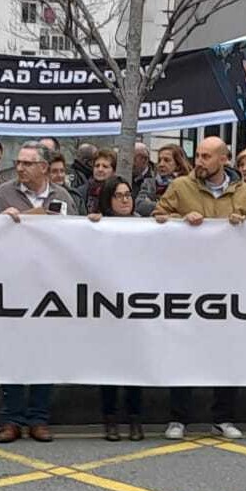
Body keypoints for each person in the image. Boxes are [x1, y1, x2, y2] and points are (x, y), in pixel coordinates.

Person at [153, 137, 246, 440]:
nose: (199, 161)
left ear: (223, 159)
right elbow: (157, 218)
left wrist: (245, 222)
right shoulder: (181, 187)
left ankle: (223, 417)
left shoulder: (244, 192)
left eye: (206, 156)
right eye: (198, 155)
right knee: (184, 347)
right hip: (188, 281)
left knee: (227, 350)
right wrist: (179, 219)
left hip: (229, 283)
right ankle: (178, 418)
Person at [0, 143, 71, 444]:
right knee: (12, 353)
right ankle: (11, 419)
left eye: (27, 163)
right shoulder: (2, 194)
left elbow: (77, 236)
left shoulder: (62, 197)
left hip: (49, 286)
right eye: (18, 162)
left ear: (44, 168)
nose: (20, 168)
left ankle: (38, 418)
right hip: (12, 285)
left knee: (44, 353)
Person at [88, 177, 146, 441]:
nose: (125, 200)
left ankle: (135, 418)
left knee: (135, 365)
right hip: (107, 305)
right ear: (108, 199)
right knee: (109, 365)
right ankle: (110, 418)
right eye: (118, 195)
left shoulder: (145, 226)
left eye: (128, 194)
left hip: (136, 305)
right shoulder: (98, 225)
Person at [135, 144, 191, 215]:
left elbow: (186, 207)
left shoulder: (187, 184)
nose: (161, 164)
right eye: (159, 160)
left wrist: (153, 203)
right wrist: (170, 207)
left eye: (166, 160)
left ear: (178, 165)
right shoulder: (149, 183)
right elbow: (140, 206)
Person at [48, 149, 85, 214]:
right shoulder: (39, 196)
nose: (59, 175)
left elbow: (83, 218)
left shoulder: (75, 197)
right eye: (54, 171)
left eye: (62, 171)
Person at [82, 149, 117, 215]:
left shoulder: (118, 192)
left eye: (105, 167)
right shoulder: (82, 192)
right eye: (97, 166)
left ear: (114, 171)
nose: (100, 169)